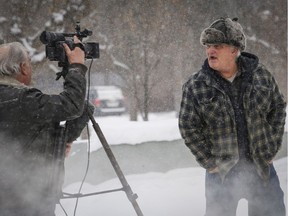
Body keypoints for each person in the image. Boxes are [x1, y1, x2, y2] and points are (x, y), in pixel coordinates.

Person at [178, 17, 286, 216]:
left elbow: (278, 108)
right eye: (208, 46)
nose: (210, 51)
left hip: (262, 170)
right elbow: (188, 126)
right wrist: (209, 161)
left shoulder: (261, 76)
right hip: (222, 174)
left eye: (217, 46)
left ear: (235, 50)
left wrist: (271, 147)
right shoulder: (196, 85)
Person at [0, 37, 92, 216]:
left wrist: (55, 141)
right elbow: (71, 105)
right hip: (26, 201)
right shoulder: (22, 100)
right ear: (23, 67)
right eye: (28, 63)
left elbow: (17, 136)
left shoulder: (18, 101)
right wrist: (76, 67)